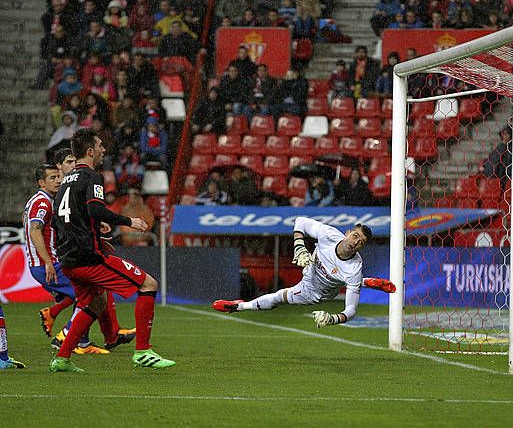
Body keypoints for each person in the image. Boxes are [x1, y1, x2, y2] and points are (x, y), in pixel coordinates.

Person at [49, 128, 175, 372]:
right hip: (89, 257)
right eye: (99, 146)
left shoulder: (66, 182)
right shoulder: (92, 177)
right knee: (149, 284)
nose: (103, 150)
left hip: (69, 259)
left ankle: (62, 358)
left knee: (94, 303)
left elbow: (64, 219)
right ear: (89, 151)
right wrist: (128, 222)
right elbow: (94, 209)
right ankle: (143, 352)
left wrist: (94, 226)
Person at [25, 163, 135, 355]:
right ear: (41, 182)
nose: (58, 180)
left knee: (89, 293)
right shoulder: (42, 202)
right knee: (91, 295)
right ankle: (68, 338)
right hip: (48, 264)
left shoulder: (46, 200)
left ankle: (79, 335)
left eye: (58, 177)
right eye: (52, 178)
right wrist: (48, 261)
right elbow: (35, 230)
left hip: (52, 262)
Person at [213, 218, 394, 327]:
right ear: (347, 233)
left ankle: (240, 306)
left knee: (278, 298)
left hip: (314, 292)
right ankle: (366, 282)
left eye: (361, 242)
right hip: (311, 265)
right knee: (315, 265)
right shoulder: (329, 234)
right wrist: (299, 246)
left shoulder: (354, 269)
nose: (355, 242)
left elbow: (351, 310)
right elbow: (300, 222)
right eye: (355, 236)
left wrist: (332, 319)